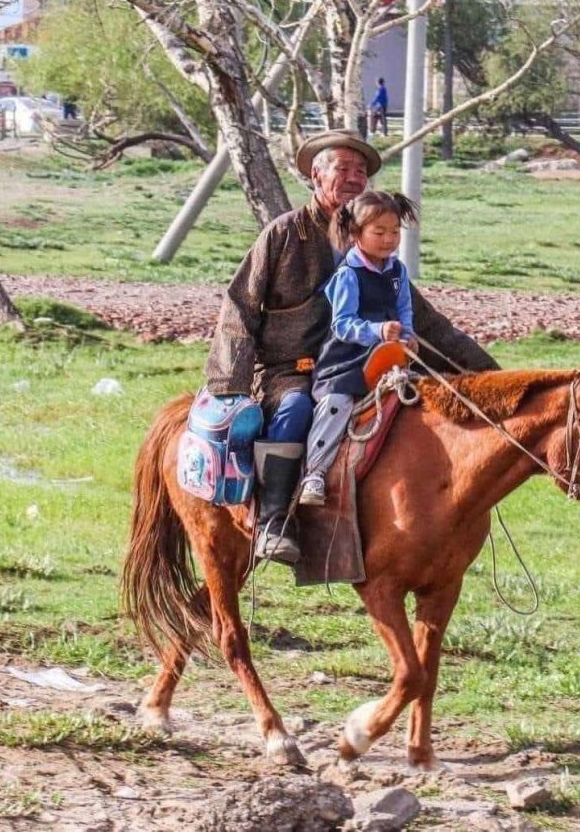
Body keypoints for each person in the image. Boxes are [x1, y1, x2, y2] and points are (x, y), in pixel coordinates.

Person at [204, 128, 498, 566]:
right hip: (292, 368)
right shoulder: (284, 234)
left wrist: (496, 379)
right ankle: (273, 522)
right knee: (295, 411)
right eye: (343, 168)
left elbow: (431, 324)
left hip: (368, 364)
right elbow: (240, 304)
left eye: (361, 172)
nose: (354, 178)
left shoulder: (377, 251)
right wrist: (232, 383)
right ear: (316, 176)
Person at [299, 192, 418, 506]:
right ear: (356, 234)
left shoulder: (398, 271)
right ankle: (315, 472)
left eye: (394, 232)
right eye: (379, 233)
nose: (389, 240)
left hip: (389, 356)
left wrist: (407, 334)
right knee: (336, 402)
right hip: (346, 359)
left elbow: (404, 309)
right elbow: (342, 324)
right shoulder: (348, 274)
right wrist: (377, 330)